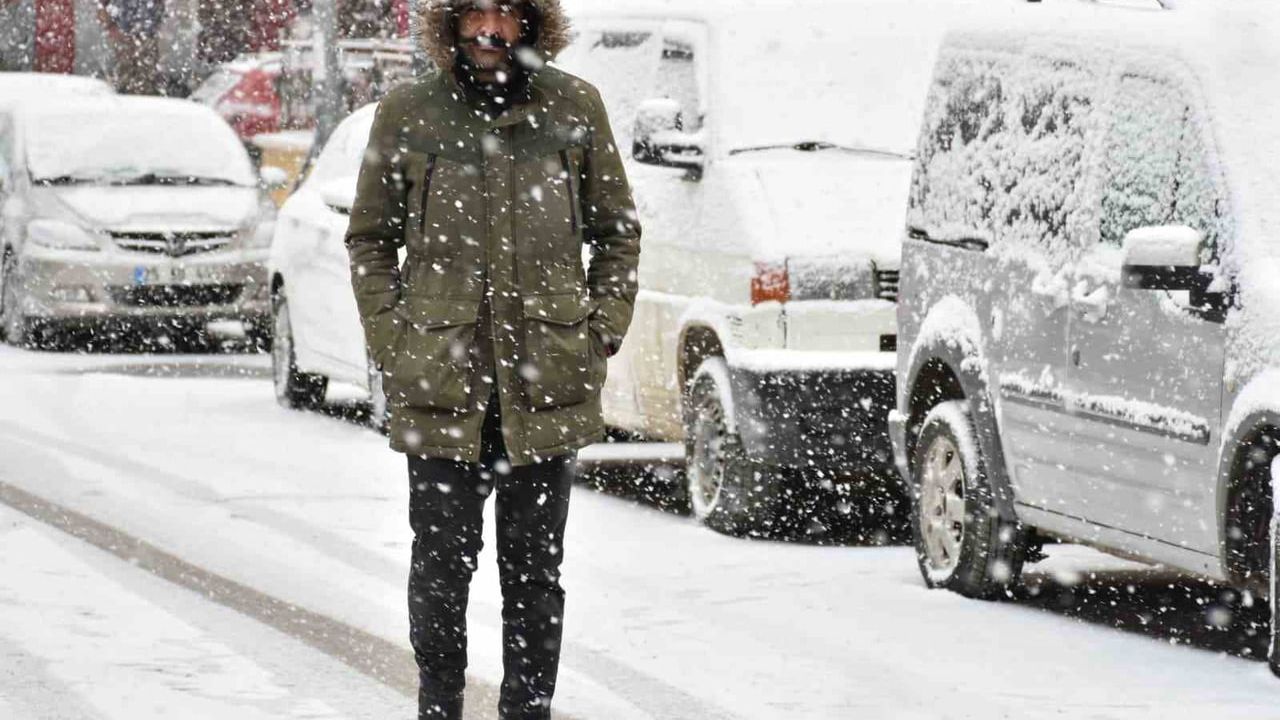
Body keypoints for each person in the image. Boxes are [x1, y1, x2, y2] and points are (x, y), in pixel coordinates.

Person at [343, 1, 641, 718]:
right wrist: (395, 342)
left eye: (507, 15)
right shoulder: (410, 112)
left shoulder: (574, 107)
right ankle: (439, 702)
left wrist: (599, 330)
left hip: (547, 390)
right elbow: (370, 241)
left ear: (533, 23)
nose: (490, 31)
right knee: (441, 572)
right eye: (475, 13)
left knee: (536, 575)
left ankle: (527, 711)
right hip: (442, 386)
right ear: (450, 24)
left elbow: (618, 234)